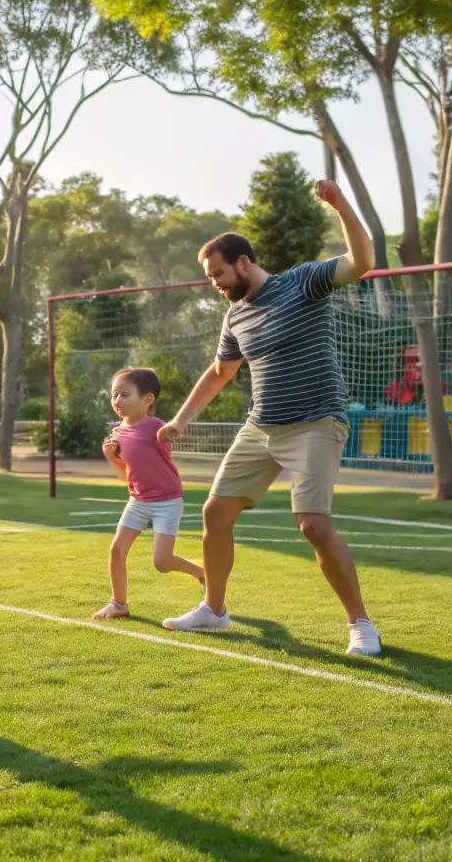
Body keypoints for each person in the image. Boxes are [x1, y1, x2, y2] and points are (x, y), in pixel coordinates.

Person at [157, 179, 382, 656]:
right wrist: (180, 419)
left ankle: (361, 624)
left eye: (218, 273)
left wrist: (340, 205)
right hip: (261, 427)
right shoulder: (235, 316)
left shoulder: (302, 281)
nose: (214, 284)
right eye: (210, 277)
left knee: (313, 525)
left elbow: (363, 262)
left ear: (244, 262)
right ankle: (214, 611)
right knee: (215, 513)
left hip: (317, 421)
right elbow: (220, 373)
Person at [93, 368, 205, 620]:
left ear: (148, 400)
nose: (117, 401)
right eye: (114, 396)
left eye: (124, 395)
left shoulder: (156, 427)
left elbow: (167, 438)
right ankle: (119, 603)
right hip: (138, 501)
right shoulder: (119, 432)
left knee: (162, 563)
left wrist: (171, 431)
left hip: (167, 501)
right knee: (116, 551)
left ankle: (201, 572)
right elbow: (127, 476)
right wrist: (112, 457)